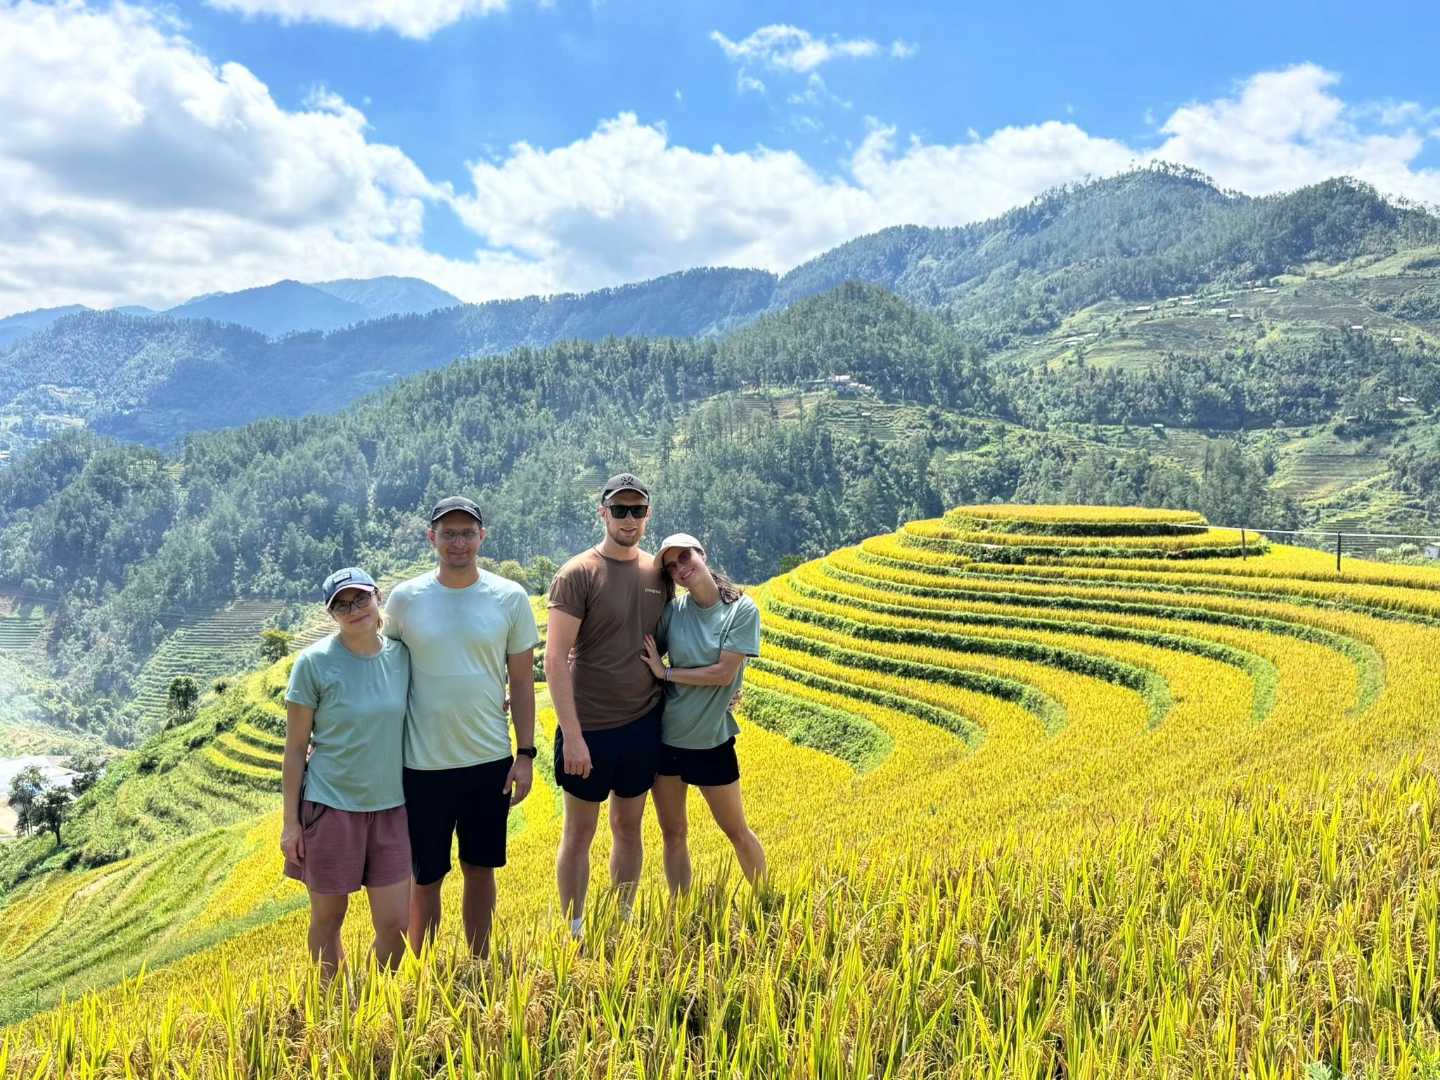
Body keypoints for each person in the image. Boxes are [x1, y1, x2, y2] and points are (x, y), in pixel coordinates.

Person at [383, 495, 539, 958]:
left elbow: (522, 682)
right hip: (421, 764)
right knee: (425, 876)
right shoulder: (405, 599)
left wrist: (525, 754)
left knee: (480, 868)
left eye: (467, 533)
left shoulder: (509, 597)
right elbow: (383, 672)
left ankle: (479, 962)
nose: (458, 542)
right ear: (431, 538)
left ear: (482, 537)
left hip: (488, 760)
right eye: (448, 533)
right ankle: (421, 972)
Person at [546, 473, 667, 936]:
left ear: (648, 515)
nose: (629, 519)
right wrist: (572, 736)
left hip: (641, 723)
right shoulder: (577, 573)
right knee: (579, 832)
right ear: (603, 514)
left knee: (629, 827)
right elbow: (555, 659)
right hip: (589, 728)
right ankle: (575, 929)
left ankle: (621, 921)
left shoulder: (658, 572)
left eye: (637, 510)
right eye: (620, 510)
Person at [281, 566, 411, 979]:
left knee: (396, 925)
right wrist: (290, 824)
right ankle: (334, 1003)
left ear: (378, 597)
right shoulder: (314, 663)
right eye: (342, 604)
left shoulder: (403, 655)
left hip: (394, 808)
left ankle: (374, 1001)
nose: (354, 609)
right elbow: (296, 748)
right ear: (330, 613)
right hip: (331, 806)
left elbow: (441, 694)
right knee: (328, 919)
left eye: (360, 599)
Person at [641, 534, 767, 892]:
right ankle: (682, 910)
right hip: (667, 739)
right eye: (672, 566)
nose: (681, 568)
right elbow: (641, 651)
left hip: (712, 740)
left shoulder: (742, 610)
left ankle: (767, 900)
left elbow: (723, 674)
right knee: (673, 833)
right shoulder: (674, 613)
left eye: (685, 557)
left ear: (702, 554)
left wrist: (665, 673)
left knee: (736, 830)